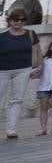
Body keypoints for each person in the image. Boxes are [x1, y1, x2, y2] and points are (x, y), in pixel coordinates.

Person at [1, 8, 41, 139]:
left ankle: (11, 130)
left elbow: (37, 51)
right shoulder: (2, 36)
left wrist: (39, 66)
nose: (19, 22)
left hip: (23, 69)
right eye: (15, 19)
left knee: (17, 100)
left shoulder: (31, 34)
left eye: (22, 19)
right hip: (2, 70)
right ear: (10, 20)